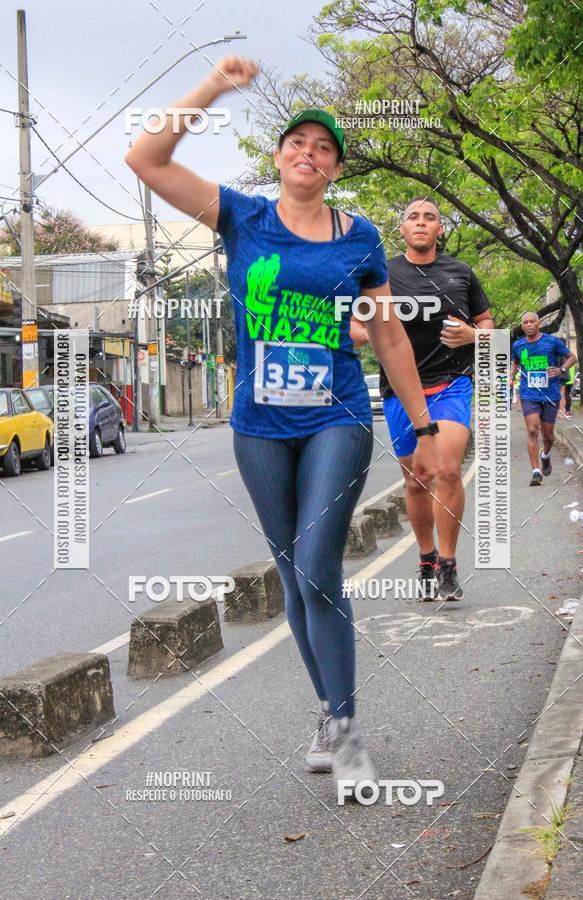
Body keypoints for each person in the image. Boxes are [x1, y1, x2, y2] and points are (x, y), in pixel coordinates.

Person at [125, 56, 440, 797]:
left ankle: (350, 735)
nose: (309, 152)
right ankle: (330, 716)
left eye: (324, 146)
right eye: (297, 142)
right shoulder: (243, 216)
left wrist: (421, 429)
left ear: (334, 167)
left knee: (318, 569)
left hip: (336, 415)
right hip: (259, 425)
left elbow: (388, 336)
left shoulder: (359, 238)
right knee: (296, 580)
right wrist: (212, 88)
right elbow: (145, 157)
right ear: (278, 157)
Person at [351, 198, 494, 600]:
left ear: (439, 230)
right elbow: (356, 324)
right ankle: (427, 558)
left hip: (451, 383)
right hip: (400, 389)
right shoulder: (383, 274)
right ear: (402, 229)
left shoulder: (460, 273)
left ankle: (448, 566)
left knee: (447, 470)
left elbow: (485, 323)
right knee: (417, 480)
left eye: (430, 217)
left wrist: (473, 336)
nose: (421, 222)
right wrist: (374, 333)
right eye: (413, 216)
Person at [511, 313, 576, 485]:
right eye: (525, 322)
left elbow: (572, 357)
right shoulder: (518, 345)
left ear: (538, 324)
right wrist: (510, 377)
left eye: (532, 321)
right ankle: (536, 472)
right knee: (532, 429)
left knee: (548, 436)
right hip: (529, 393)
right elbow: (516, 362)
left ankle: (545, 455)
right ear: (523, 326)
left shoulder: (552, 342)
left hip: (550, 394)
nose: (529, 324)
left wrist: (561, 370)